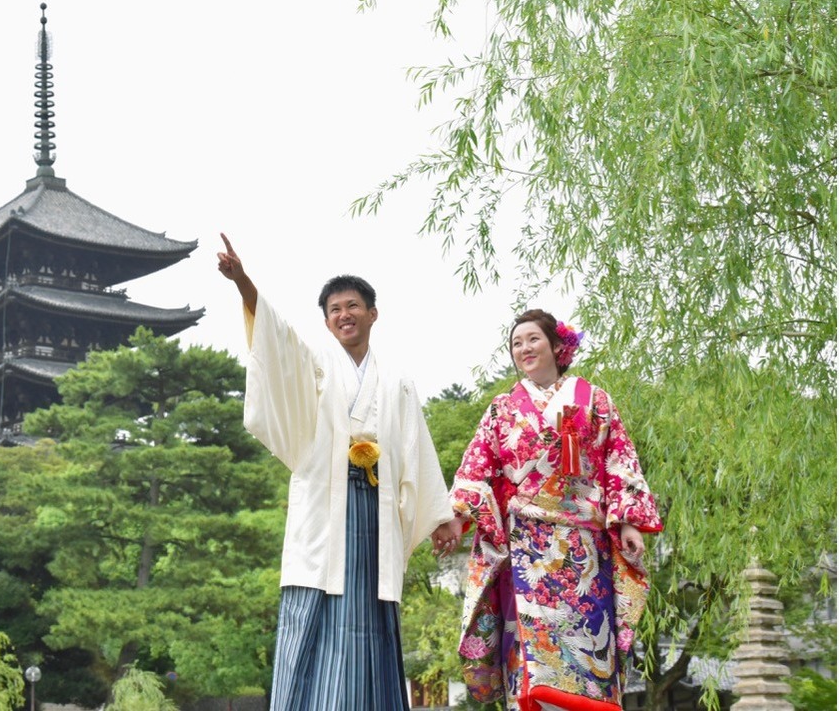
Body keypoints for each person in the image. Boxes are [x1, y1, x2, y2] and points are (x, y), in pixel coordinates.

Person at [217, 233, 463, 711]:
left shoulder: (399, 383)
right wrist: (244, 283)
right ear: (327, 322)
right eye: (334, 310)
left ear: (373, 313)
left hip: (375, 509)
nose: (344, 315)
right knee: (318, 600)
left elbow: (419, 451)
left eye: (353, 306)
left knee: (371, 606)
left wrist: (441, 516)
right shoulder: (315, 366)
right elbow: (275, 338)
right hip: (324, 510)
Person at [449, 309, 662, 711]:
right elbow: (476, 470)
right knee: (530, 665)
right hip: (525, 547)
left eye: (533, 339)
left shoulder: (595, 399)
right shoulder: (502, 408)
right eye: (516, 343)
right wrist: (457, 516)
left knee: (589, 657)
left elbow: (619, 461)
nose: (524, 348)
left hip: (584, 551)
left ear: (556, 346)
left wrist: (629, 521)